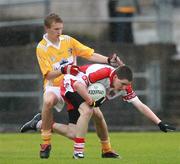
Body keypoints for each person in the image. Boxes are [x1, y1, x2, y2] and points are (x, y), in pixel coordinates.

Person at [22, 64, 175, 159]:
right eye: (121, 84)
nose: (123, 88)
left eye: (126, 85)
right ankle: (78, 152)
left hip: (84, 91)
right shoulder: (101, 73)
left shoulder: (124, 86)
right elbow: (79, 86)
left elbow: (140, 105)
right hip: (71, 84)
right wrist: (90, 100)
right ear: (114, 76)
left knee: (82, 127)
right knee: (88, 111)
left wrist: (159, 123)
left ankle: (39, 123)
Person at [24, 12, 123, 159]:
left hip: (73, 86)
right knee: (48, 100)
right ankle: (45, 143)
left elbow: (89, 54)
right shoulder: (42, 48)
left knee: (95, 117)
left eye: (61, 28)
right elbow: (48, 75)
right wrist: (64, 69)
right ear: (47, 29)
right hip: (55, 86)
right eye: (56, 29)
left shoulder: (68, 40)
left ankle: (106, 149)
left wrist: (108, 60)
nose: (60, 32)